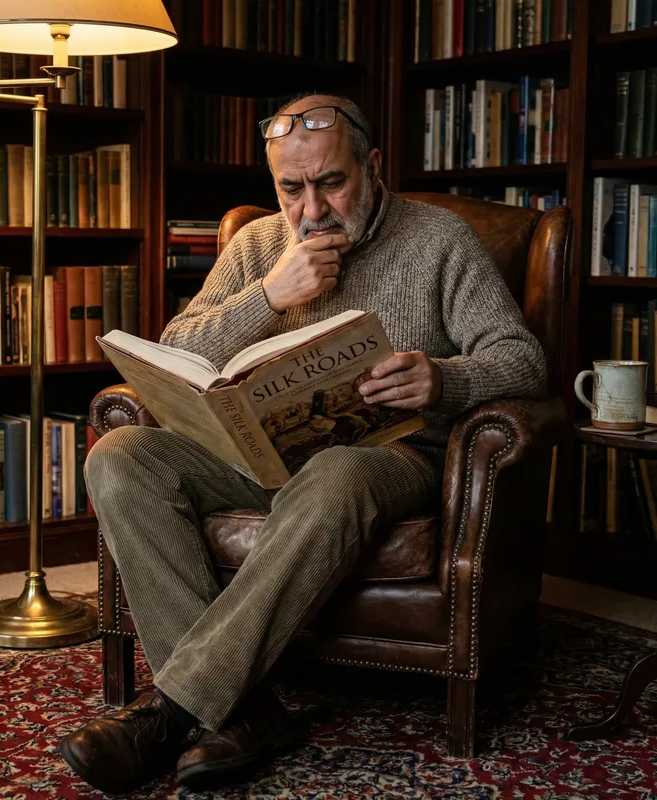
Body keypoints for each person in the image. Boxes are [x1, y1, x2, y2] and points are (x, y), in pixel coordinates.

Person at [60, 93, 547, 794]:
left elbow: (523, 361)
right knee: (119, 456)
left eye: (332, 182)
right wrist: (267, 295)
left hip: (389, 458)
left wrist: (443, 378)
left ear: (373, 167)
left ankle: (170, 710)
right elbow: (176, 348)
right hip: (254, 459)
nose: (312, 207)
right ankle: (247, 711)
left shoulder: (440, 241)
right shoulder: (257, 244)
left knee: (336, 473)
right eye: (292, 188)